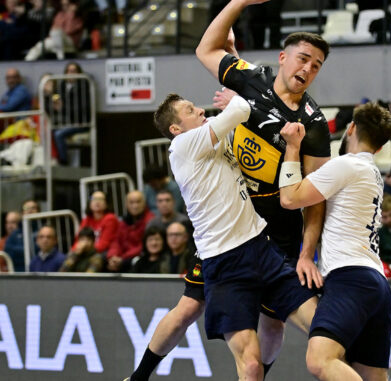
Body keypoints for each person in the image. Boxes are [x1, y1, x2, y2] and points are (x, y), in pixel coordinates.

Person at [128, 1, 333, 378]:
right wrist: (237, 4)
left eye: (316, 65)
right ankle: (139, 375)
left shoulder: (315, 125)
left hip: (272, 230)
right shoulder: (249, 82)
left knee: (275, 325)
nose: (307, 69)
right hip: (227, 235)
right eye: (303, 58)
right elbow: (207, 50)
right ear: (283, 58)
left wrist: (308, 253)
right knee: (189, 308)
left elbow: (316, 198)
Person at [149, 92, 316, 380]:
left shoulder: (210, 135)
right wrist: (234, 92)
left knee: (323, 325)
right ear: (175, 129)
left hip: (261, 247)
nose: (200, 110)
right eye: (190, 109)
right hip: (224, 262)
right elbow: (240, 108)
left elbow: (249, 121)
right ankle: (140, 375)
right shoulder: (183, 145)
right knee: (248, 364)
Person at [278, 101, 391, 381]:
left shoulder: (347, 165)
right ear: (379, 148)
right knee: (371, 375)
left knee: (320, 360)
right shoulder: (373, 173)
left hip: (350, 277)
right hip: (376, 284)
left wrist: (293, 148)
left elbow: (290, 198)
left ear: (351, 128)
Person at [51, 62, 92, 165]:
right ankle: (53, 159)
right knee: (49, 130)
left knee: (59, 134)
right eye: (69, 71)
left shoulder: (84, 86)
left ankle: (63, 161)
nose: (71, 73)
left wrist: (62, 108)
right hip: (67, 121)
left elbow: (81, 108)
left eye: (74, 71)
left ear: (79, 73)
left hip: (81, 122)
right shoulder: (62, 86)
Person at [106, 190, 154, 273]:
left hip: (138, 257)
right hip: (121, 257)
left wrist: (122, 258)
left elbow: (143, 246)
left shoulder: (151, 221)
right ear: (126, 205)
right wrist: (113, 256)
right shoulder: (123, 222)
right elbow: (116, 241)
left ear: (144, 203)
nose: (135, 206)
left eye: (138, 202)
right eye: (131, 203)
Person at [72, 190, 119, 255]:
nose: (97, 202)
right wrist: (75, 250)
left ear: (106, 204)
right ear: (89, 203)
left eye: (101, 199)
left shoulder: (110, 218)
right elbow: (78, 240)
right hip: (85, 251)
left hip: (103, 253)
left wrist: (84, 250)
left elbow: (104, 244)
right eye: (94, 199)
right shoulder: (86, 220)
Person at [4, 199, 40, 272]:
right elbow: (8, 252)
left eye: (33, 208)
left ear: (39, 211)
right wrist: (29, 251)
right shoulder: (15, 233)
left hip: (39, 273)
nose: (30, 211)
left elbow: (43, 253)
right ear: (22, 213)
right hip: (18, 273)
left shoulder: (44, 231)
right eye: (26, 208)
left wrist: (18, 251)